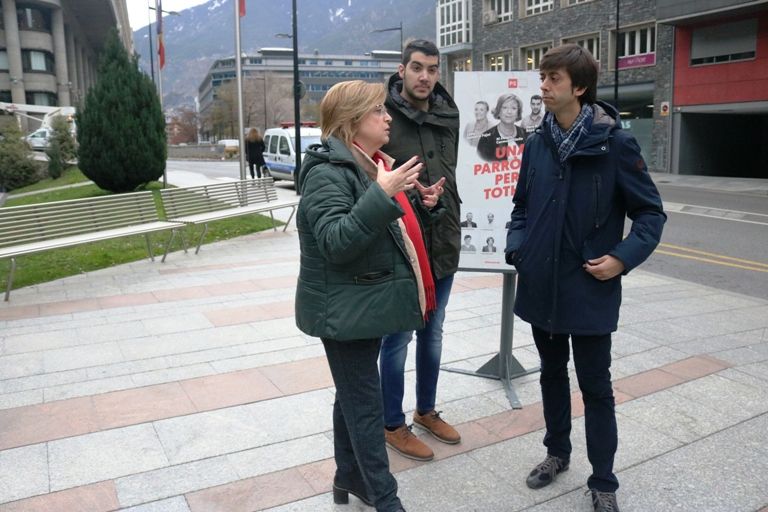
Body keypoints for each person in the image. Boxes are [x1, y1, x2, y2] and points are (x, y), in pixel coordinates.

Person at [505, 44, 666, 512]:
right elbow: (521, 206)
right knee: (551, 374)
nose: (544, 87)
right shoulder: (537, 142)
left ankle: (604, 482)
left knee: (596, 386)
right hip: (541, 283)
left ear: (579, 87)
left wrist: (622, 258)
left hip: (590, 286)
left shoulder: (615, 143)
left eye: (553, 79)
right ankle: (557, 453)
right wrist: (520, 250)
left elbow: (651, 214)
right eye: (542, 78)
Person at [295, 80, 444, 512]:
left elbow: (385, 231)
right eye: (378, 111)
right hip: (342, 312)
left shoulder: (369, 165)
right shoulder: (327, 173)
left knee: (352, 394)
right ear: (351, 121)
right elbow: (337, 241)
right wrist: (383, 193)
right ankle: (385, 499)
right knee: (365, 406)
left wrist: (423, 204)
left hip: (362, 304)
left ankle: (349, 477)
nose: (388, 117)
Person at [379, 39, 462, 462]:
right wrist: (412, 198)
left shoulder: (450, 115)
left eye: (431, 68)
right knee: (398, 337)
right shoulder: (381, 115)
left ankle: (426, 410)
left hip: (443, 240)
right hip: (402, 245)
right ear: (402, 70)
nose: (425, 76)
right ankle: (391, 424)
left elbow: (451, 175)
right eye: (416, 67)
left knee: (434, 333)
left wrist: (439, 202)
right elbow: (371, 180)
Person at [477, 93, 528, 162]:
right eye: (505, 107)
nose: (509, 112)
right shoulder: (486, 138)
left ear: (518, 113)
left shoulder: (527, 135)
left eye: (513, 108)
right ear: (498, 111)